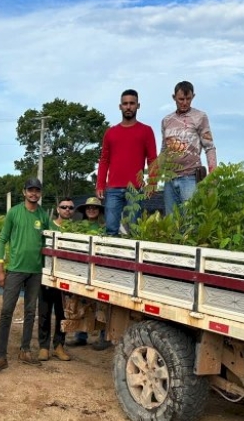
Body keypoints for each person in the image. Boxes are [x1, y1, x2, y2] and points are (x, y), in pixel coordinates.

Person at [0, 177, 51, 373]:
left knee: (30, 312)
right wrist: (0, 268)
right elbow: (2, 240)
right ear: (24, 192)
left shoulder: (43, 215)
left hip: (35, 272)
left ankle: (25, 350)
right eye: (30, 190)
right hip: (15, 270)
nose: (34, 193)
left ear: (40, 193)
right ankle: (0, 357)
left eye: (37, 190)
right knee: (7, 311)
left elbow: (50, 241)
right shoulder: (14, 213)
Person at [96, 88, 158, 236]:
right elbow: (104, 160)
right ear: (120, 106)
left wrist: (153, 183)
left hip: (135, 189)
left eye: (132, 103)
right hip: (113, 189)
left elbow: (152, 159)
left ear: (138, 105)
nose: (128, 106)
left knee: (134, 231)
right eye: (125, 103)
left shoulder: (146, 131)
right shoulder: (110, 132)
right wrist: (100, 184)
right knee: (111, 230)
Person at [161, 80, 217, 216]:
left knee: (191, 221)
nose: (184, 102)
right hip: (169, 179)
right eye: (181, 99)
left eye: (188, 99)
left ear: (193, 97)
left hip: (190, 177)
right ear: (174, 98)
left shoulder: (200, 117)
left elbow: (209, 147)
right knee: (171, 222)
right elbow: (164, 149)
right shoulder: (166, 120)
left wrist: (213, 174)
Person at [68, 197, 110, 350]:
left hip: (100, 270)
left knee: (103, 305)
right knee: (82, 303)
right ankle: (81, 336)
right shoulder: (78, 227)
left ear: (99, 211)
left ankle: (105, 337)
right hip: (82, 269)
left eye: (95, 208)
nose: (91, 210)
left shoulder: (105, 227)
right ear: (85, 211)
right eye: (88, 208)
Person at [37, 197, 74, 363]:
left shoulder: (75, 229)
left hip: (66, 277)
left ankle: (59, 345)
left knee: (62, 313)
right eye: (64, 207)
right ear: (57, 209)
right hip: (48, 275)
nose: (67, 210)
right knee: (44, 312)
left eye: (70, 208)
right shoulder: (48, 226)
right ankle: (43, 347)